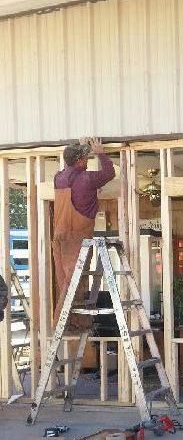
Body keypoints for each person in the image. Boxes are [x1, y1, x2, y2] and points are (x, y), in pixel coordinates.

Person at [52, 137, 115, 331]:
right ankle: (60, 325)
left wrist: (92, 192)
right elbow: (109, 172)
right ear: (80, 159)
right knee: (74, 281)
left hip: (60, 235)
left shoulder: (58, 177)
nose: (88, 160)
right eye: (86, 157)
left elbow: (76, 189)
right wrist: (100, 152)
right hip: (77, 236)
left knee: (65, 280)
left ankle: (76, 322)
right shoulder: (87, 178)